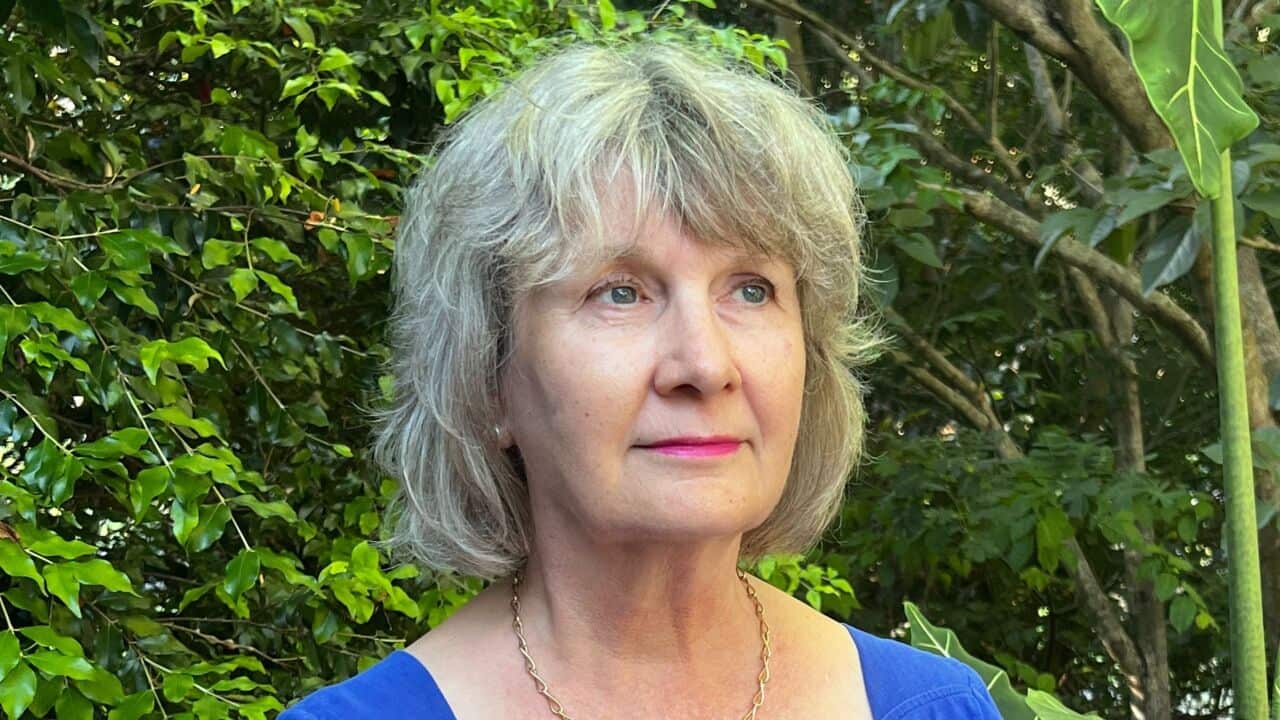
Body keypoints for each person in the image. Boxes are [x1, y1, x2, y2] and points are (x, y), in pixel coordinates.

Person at [282, 39, 1001, 719]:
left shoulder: (934, 707)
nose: (706, 366)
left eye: (750, 290)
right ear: (489, 378)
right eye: (620, 292)